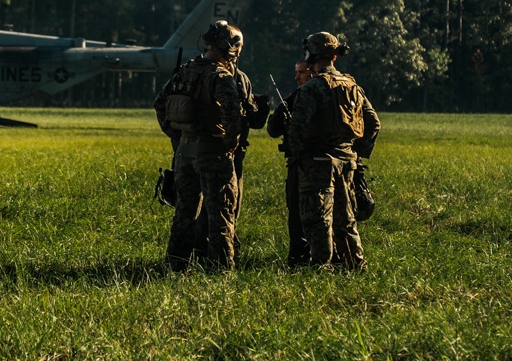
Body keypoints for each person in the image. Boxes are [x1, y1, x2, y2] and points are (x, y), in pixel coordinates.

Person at [154, 21, 266, 271]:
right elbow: (232, 117)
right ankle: (221, 270)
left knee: (184, 213)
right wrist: (230, 145)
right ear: (232, 49)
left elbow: (160, 104)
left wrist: (177, 137)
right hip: (213, 153)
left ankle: (176, 266)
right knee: (221, 213)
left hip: (184, 152)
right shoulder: (220, 76)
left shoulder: (184, 71)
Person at [287, 32, 380, 271]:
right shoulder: (352, 86)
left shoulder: (313, 88)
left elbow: (297, 128)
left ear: (311, 55)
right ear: (335, 56)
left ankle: (321, 268)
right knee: (346, 221)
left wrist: (298, 157)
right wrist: (356, 154)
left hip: (317, 163)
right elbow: (373, 123)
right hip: (346, 164)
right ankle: (355, 266)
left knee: (318, 220)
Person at [266, 58, 313, 267]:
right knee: (295, 214)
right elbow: (273, 130)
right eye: (296, 72)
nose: (296, 77)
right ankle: (299, 259)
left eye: (301, 73)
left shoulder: (313, 94)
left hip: (309, 163)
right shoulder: (293, 98)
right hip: (298, 163)